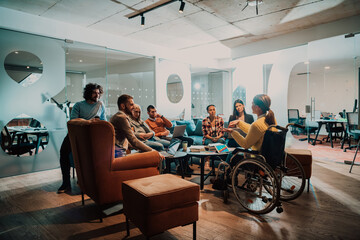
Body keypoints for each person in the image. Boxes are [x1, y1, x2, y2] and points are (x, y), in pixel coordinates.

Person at [58, 83, 106, 193]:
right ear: (88, 93)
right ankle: (66, 183)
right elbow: (72, 121)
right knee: (63, 152)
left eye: (98, 93)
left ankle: (87, 181)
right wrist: (88, 121)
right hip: (75, 134)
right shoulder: (78, 105)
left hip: (92, 135)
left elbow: (104, 121)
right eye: (94, 93)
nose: (97, 95)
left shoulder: (100, 105)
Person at [110, 94, 164, 161]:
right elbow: (133, 140)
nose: (133, 107)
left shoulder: (118, 116)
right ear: (123, 106)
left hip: (118, 151)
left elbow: (126, 138)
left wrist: (133, 146)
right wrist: (153, 152)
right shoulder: (122, 118)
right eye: (131, 104)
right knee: (155, 155)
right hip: (119, 153)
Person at [224, 94, 277, 162]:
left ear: (257, 107)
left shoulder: (257, 124)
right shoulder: (271, 120)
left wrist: (232, 132)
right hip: (269, 156)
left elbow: (245, 144)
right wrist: (239, 122)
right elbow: (254, 131)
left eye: (252, 104)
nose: (251, 106)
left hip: (257, 157)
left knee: (231, 155)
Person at [145, 105, 194, 175]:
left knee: (189, 141)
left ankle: (184, 165)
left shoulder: (160, 119)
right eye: (152, 112)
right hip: (161, 138)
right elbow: (151, 135)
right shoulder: (147, 122)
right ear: (148, 113)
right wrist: (162, 133)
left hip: (170, 136)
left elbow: (170, 125)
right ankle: (182, 167)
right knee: (179, 144)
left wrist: (162, 117)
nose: (154, 113)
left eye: (155, 111)